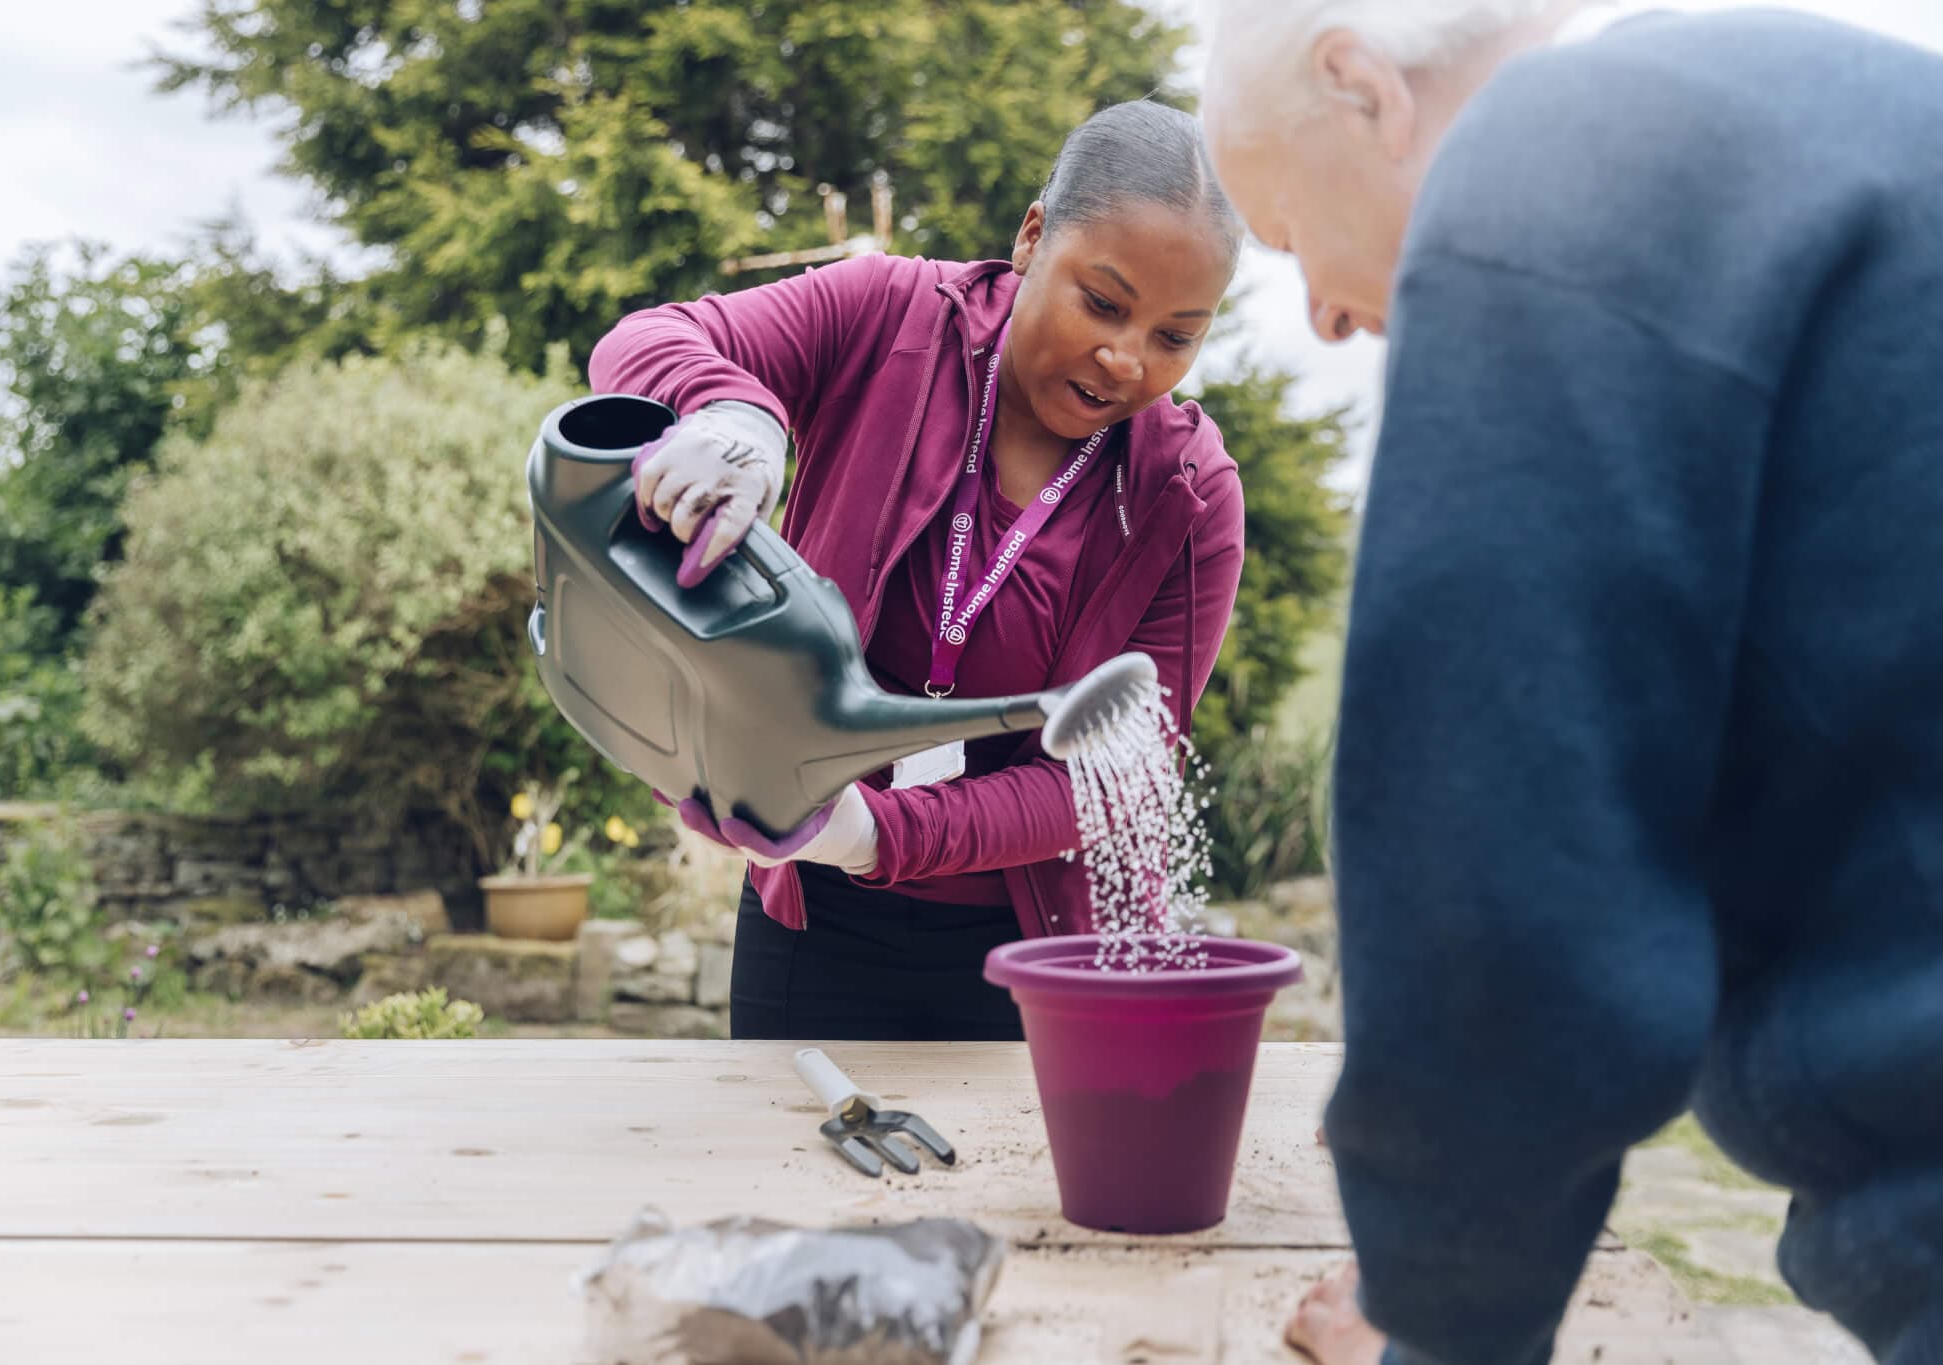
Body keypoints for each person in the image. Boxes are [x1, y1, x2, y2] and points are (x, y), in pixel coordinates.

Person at [1199, 2, 1943, 1362]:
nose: (1314, 309)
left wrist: (1437, 1306)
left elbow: (1504, 870)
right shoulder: (1796, 120)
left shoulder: (1555, 167)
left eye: (1288, 232)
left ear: (1362, 86)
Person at [589, 100, 1247, 1043]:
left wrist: (878, 834)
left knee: (1012, 1194)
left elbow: (1118, 773)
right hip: (812, 916)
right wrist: (734, 416)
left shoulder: (1186, 493)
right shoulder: (889, 313)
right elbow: (641, 344)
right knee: (791, 1177)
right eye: (1102, 302)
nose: (1125, 358)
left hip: (1043, 952)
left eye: (1175, 337)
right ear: (1032, 237)